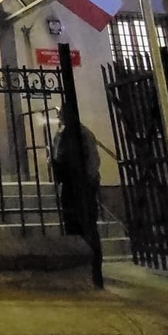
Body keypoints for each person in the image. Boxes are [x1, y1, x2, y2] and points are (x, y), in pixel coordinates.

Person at [51, 107, 104, 287]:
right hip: (69, 184)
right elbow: (58, 156)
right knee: (72, 224)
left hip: (82, 186)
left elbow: (92, 160)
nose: (59, 117)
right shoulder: (62, 134)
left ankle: (95, 270)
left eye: (61, 114)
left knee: (87, 226)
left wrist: (88, 181)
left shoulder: (83, 134)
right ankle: (80, 266)